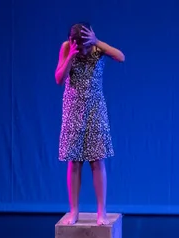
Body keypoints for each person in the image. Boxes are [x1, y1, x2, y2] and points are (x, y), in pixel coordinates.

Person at [54, 22, 125, 225]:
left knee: (97, 160)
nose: (84, 52)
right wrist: (71, 56)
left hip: (95, 109)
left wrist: (97, 42)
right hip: (73, 109)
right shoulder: (67, 48)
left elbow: (121, 57)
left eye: (86, 48)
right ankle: (74, 210)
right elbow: (59, 78)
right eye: (80, 48)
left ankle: (101, 212)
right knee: (74, 161)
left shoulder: (97, 47)